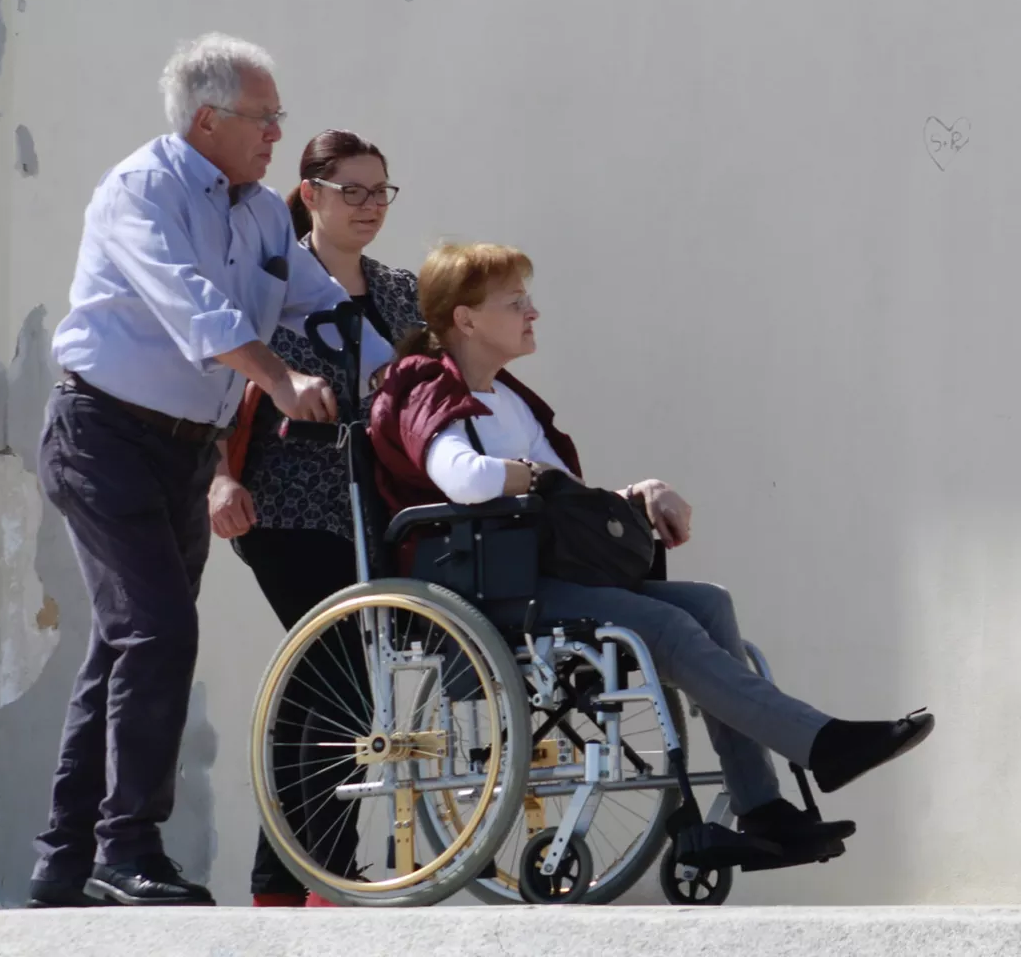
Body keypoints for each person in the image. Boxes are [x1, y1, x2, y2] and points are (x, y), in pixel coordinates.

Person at [369, 242, 935, 857]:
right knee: (663, 624)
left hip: (543, 573)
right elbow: (466, 480)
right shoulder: (423, 383)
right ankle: (822, 743)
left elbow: (566, 498)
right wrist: (533, 476)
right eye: (516, 302)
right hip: (485, 588)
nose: (534, 312)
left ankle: (764, 808)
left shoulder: (508, 399)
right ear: (467, 319)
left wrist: (639, 493)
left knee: (709, 605)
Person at [28, 34, 393, 909]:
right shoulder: (141, 190)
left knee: (122, 645)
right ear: (208, 118)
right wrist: (276, 376)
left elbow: (318, 300)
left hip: (185, 448)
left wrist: (420, 378)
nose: (277, 134)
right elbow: (194, 305)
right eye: (265, 118)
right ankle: (129, 850)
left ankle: (64, 860)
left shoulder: (266, 212)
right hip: (102, 434)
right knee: (157, 632)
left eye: (278, 119)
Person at [208, 129, 421, 907]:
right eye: (352, 191)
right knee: (341, 680)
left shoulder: (401, 293)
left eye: (381, 192)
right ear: (312, 193)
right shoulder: (272, 283)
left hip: (375, 509)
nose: (369, 207)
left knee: (334, 687)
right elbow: (221, 392)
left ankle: (295, 878)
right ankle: (314, 879)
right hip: (287, 505)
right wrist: (219, 481)